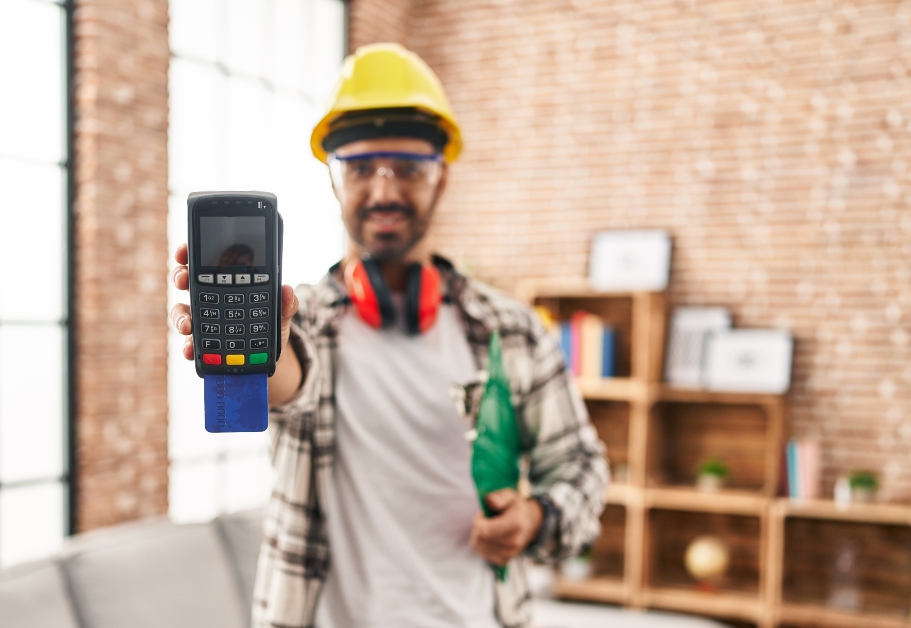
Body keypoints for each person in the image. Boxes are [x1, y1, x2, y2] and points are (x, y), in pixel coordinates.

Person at [169, 43, 609, 628]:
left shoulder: (515, 330)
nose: (383, 191)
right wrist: (255, 351)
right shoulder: (301, 320)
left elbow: (582, 466)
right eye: (359, 167)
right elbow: (291, 383)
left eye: (407, 167)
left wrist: (536, 516)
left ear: (441, 178)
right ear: (332, 181)